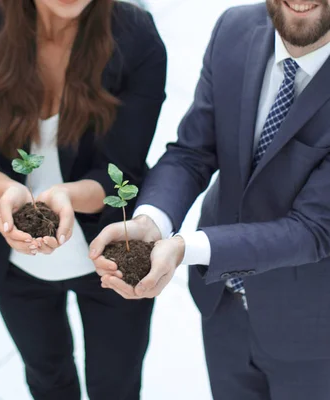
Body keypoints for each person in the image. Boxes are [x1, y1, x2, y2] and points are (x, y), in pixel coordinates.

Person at [91, 1, 330, 399]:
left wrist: (187, 247)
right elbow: (193, 152)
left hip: (311, 331)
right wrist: (152, 221)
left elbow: (313, 230)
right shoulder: (234, 29)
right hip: (222, 307)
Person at [0, 0, 166, 398]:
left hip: (115, 250)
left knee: (116, 383)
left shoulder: (136, 36)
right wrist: (9, 195)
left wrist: (64, 196)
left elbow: (122, 170)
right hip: (14, 262)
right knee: (47, 376)